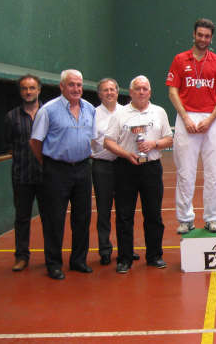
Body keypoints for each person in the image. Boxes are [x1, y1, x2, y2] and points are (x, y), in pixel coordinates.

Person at [29, 69, 96, 280]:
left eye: (79, 85)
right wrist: (49, 163)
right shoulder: (48, 110)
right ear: (61, 86)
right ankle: (54, 264)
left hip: (84, 169)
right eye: (71, 85)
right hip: (56, 170)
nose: (76, 89)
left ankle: (78, 261)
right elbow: (35, 142)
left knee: (82, 218)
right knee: (54, 219)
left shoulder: (90, 109)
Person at [104, 76, 174, 274]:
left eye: (145, 89)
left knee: (153, 214)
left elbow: (169, 139)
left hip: (151, 168)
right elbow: (108, 142)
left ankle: (154, 256)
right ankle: (124, 259)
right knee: (124, 215)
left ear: (150, 92)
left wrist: (154, 144)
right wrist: (126, 154)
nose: (141, 92)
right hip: (126, 167)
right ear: (131, 92)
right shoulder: (120, 114)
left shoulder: (159, 112)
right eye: (137, 89)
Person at [167, 18, 216, 233]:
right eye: (200, 35)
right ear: (194, 35)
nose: (203, 39)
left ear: (211, 38)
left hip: (211, 120)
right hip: (186, 118)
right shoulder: (179, 59)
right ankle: (185, 219)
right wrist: (185, 118)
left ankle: (212, 218)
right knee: (185, 172)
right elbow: (173, 90)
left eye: (207, 36)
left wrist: (211, 119)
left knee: (214, 172)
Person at [91, 78, 138, 265]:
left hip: (123, 165)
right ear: (99, 94)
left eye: (112, 89)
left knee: (125, 210)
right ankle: (104, 249)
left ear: (118, 92)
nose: (109, 93)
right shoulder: (92, 114)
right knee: (103, 210)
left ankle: (126, 249)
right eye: (105, 90)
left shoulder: (127, 112)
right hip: (102, 166)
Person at [4, 74, 43, 272]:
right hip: (21, 176)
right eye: (24, 88)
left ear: (39, 90)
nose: (28, 92)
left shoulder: (49, 113)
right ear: (20, 92)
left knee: (50, 218)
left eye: (32, 88)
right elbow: (10, 145)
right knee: (22, 218)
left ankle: (52, 257)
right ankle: (21, 257)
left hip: (47, 177)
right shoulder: (12, 117)